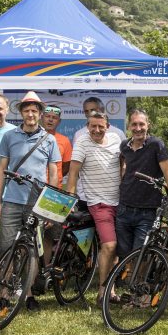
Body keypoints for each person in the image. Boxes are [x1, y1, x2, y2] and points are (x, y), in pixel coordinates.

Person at [0, 91, 61, 267]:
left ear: (40, 114)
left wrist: (50, 208)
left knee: (32, 248)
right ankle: (6, 288)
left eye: (34, 111)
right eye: (26, 111)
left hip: (36, 203)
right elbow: (2, 170)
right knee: (7, 247)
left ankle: (28, 290)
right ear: (22, 113)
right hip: (11, 201)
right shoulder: (9, 136)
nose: (30, 114)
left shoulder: (50, 140)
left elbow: (53, 174)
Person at [65, 110, 123, 290]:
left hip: (120, 202)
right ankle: (103, 291)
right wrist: (70, 200)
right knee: (109, 245)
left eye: (100, 126)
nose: (96, 130)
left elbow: (123, 164)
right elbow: (73, 174)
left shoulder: (116, 140)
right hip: (98, 203)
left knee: (116, 249)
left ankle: (110, 289)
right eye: (93, 126)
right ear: (87, 126)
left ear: (108, 126)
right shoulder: (82, 142)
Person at [116, 108, 168, 258]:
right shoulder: (124, 146)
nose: (138, 128)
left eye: (141, 124)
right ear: (129, 126)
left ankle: (138, 281)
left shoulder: (156, 144)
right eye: (134, 124)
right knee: (123, 254)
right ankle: (125, 281)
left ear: (148, 125)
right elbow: (124, 168)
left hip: (147, 211)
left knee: (140, 255)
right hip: (124, 208)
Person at [41, 104, 73, 183]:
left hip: (54, 188)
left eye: (54, 117)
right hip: (34, 185)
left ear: (59, 121)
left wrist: (55, 178)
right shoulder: (33, 137)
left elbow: (66, 166)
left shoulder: (65, 140)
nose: (50, 120)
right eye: (47, 116)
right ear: (41, 118)